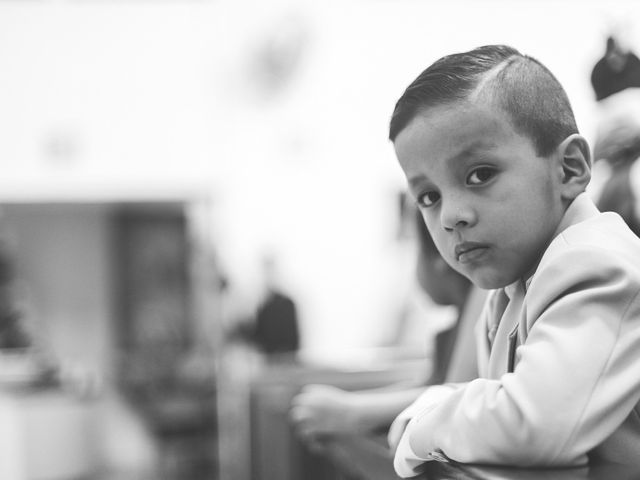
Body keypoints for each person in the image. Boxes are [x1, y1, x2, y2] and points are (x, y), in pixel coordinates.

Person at [387, 44, 640, 477]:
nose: (451, 216)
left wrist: (423, 426)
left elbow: (531, 426)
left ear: (570, 168)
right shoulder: (513, 283)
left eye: (480, 174)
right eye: (429, 196)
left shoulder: (595, 263)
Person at [289, 208, 484, 442]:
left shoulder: (482, 295)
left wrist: (351, 411)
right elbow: (429, 387)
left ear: (440, 260)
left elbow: (453, 396)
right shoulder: (455, 327)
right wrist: (346, 404)